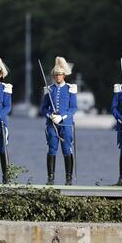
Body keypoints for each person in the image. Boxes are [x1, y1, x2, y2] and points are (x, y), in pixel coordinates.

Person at [40, 57, 77, 186]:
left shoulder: (70, 88)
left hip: (65, 124)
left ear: (64, 75)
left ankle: (69, 177)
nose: (57, 77)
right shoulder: (49, 89)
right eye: (55, 75)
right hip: (51, 125)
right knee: (52, 149)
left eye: (60, 74)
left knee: (67, 150)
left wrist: (63, 116)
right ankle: (50, 177)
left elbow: (73, 108)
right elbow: (43, 108)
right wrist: (50, 115)